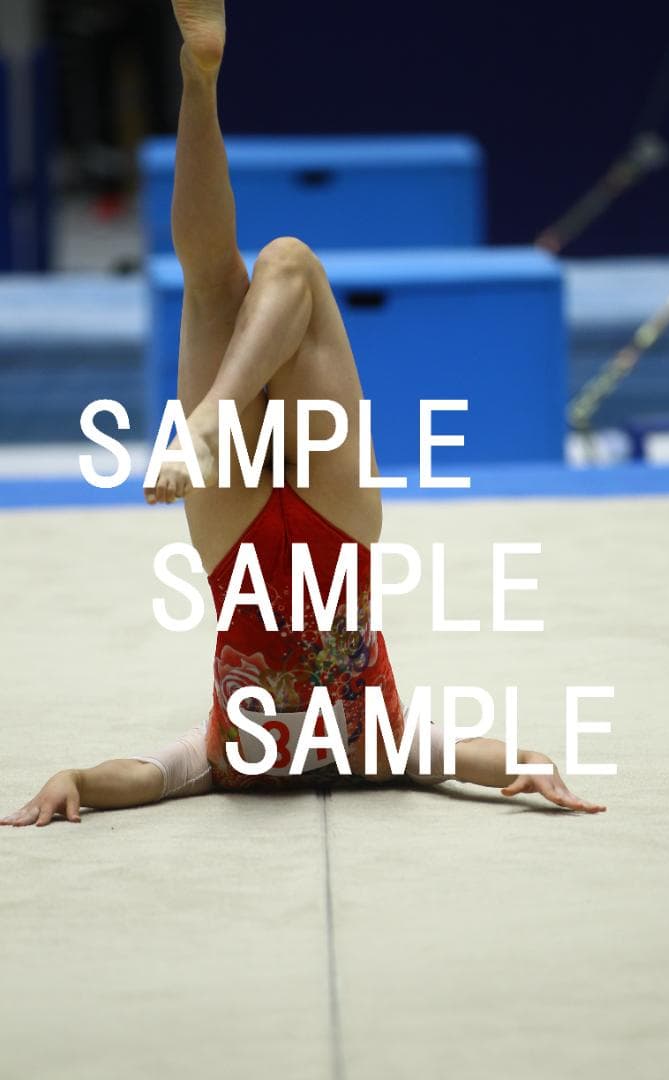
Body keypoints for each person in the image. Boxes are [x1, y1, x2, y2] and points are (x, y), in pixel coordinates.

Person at [1, 0, 606, 828]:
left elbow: (149, 775)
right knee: (287, 261)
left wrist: (76, 776)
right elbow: (476, 755)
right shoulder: (384, 744)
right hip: (336, 526)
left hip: (235, 543)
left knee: (217, 282)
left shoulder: (225, 755)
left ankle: (199, 78)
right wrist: (533, 765)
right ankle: (211, 418)